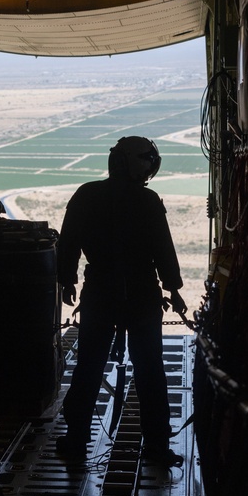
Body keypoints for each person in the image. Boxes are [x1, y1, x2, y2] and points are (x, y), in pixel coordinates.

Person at [55, 136, 187, 466]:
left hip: (100, 291)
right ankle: (156, 445)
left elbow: (68, 241)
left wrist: (66, 278)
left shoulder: (86, 195)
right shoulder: (148, 201)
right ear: (129, 162)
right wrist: (173, 287)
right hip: (142, 295)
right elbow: (163, 250)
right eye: (145, 160)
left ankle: (75, 440)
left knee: (89, 366)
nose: (149, 166)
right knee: (150, 369)